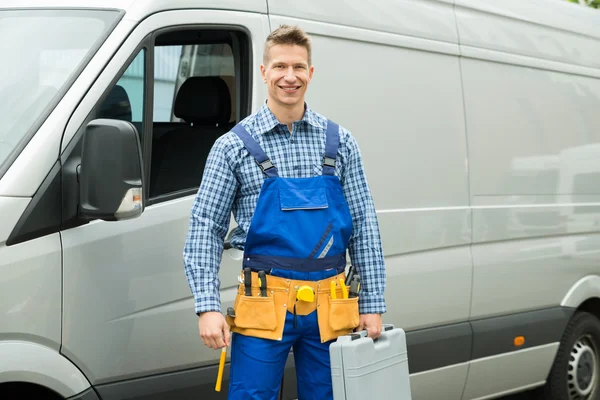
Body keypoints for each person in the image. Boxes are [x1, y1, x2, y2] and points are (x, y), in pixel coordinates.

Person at [183, 24, 387, 400]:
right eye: (279, 67)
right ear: (264, 72)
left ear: (311, 73)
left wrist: (372, 303)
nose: (288, 77)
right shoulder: (232, 147)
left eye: (298, 67)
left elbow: (363, 227)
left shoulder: (340, 142)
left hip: (332, 305)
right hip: (263, 304)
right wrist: (207, 307)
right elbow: (205, 229)